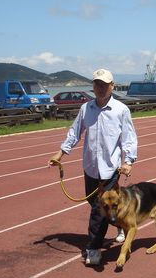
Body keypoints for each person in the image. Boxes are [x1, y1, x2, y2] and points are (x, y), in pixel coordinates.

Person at [48, 69, 138, 266]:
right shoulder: (86, 108)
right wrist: (61, 153)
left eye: (104, 84)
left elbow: (129, 138)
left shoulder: (121, 110)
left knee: (99, 209)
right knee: (97, 205)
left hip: (110, 170)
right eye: (97, 84)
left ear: (112, 86)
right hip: (90, 168)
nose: (100, 88)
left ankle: (94, 248)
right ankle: (118, 224)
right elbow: (75, 133)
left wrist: (128, 161)